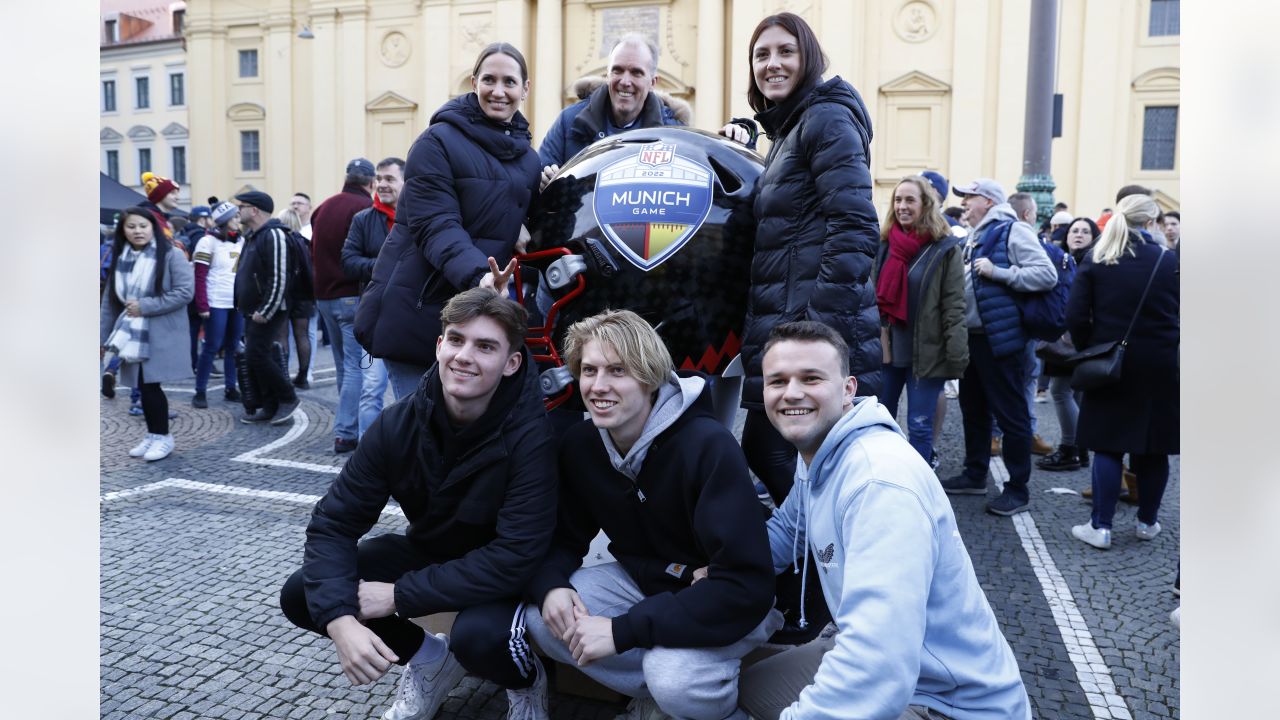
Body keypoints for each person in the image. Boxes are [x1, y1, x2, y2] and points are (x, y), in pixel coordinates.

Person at [278, 287, 556, 720]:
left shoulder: (534, 437)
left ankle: (525, 683)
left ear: (511, 363)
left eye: (486, 347)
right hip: (434, 548)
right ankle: (430, 660)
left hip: (510, 574)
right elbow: (334, 523)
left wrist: (398, 595)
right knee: (303, 594)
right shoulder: (398, 422)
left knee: (479, 638)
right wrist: (339, 620)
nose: (465, 356)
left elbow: (515, 556)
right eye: (457, 340)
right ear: (439, 345)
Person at [738, 321, 1030, 720]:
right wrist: (714, 570)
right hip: (875, 654)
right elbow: (786, 532)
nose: (792, 393)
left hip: (948, 703)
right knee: (746, 690)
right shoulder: (819, 455)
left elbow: (876, 666)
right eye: (778, 381)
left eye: (811, 378)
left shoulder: (878, 484)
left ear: (848, 390)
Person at [512, 309, 780, 720]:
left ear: (650, 377)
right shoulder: (583, 445)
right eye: (588, 370)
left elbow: (745, 586)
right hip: (650, 581)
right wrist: (550, 585)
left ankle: (714, 708)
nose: (598, 386)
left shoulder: (708, 446)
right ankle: (660, 699)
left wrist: (623, 632)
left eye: (617, 371)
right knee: (544, 619)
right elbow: (561, 537)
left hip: (723, 598)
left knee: (673, 676)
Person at [720, 12, 882, 507]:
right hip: (789, 327)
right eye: (761, 55)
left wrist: (817, 337)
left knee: (788, 457)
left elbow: (854, 227)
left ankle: (826, 561)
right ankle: (812, 560)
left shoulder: (826, 119)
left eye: (785, 51)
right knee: (779, 454)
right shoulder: (791, 129)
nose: (772, 64)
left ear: (809, 57)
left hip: (811, 331)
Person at [356, 43, 541, 401]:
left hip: (478, 314)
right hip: (420, 309)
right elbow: (435, 224)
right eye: (489, 80)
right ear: (474, 83)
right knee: (420, 436)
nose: (498, 91)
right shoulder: (436, 141)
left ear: (525, 89)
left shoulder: (529, 161)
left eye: (509, 82)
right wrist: (480, 275)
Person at [1067, 194, 1179, 550]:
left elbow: (1074, 317)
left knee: (1108, 445)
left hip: (1110, 361)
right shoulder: (1168, 259)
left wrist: (1093, 345)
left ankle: (1100, 526)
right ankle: (1147, 522)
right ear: (1152, 223)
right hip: (1160, 363)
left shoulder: (1098, 258)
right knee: (1153, 448)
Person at [938, 179, 1056, 516]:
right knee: (974, 410)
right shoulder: (975, 234)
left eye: (969, 197)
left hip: (1001, 339)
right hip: (974, 337)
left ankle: (1017, 489)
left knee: (1011, 414)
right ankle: (975, 474)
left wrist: (1000, 273)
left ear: (988, 201)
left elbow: (1045, 274)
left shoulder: (1012, 230)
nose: (964, 203)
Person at [872, 175, 967, 466]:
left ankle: (919, 489)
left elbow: (954, 304)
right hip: (888, 351)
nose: (902, 206)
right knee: (878, 423)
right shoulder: (885, 244)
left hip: (928, 351)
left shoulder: (945, 248)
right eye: (898, 200)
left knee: (920, 425)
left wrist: (956, 354)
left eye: (909, 200)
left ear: (926, 204)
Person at [100, 207, 195, 462]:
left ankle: (163, 436)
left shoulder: (172, 254)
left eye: (142, 226)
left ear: (153, 227)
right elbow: (111, 302)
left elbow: (185, 292)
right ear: (123, 230)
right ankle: (154, 434)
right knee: (142, 386)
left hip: (162, 331)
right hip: (132, 333)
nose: (137, 231)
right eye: (131, 227)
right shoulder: (122, 258)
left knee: (150, 386)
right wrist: (101, 338)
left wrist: (146, 306)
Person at [537, 34, 685, 188]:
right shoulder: (569, 121)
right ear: (607, 75)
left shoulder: (674, 136)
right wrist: (543, 182)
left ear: (652, 82)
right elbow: (536, 181)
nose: (625, 81)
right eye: (617, 70)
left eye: (636, 73)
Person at [312, 159, 375, 451]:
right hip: (351, 295)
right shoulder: (364, 210)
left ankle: (345, 425)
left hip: (324, 297)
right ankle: (347, 432)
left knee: (343, 366)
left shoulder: (324, 206)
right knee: (354, 368)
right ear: (371, 182)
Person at [341, 157, 405, 438]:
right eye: (379, 179)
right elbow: (348, 260)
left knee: (410, 390)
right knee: (372, 387)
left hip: (411, 316)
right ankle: (368, 452)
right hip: (376, 313)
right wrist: (384, 264)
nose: (381, 184)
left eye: (389, 179)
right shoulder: (363, 219)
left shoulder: (418, 216)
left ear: (406, 182)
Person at [1036, 217, 1100, 472]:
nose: (1078, 235)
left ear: (1093, 235)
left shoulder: (1091, 260)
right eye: (1074, 230)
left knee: (1060, 392)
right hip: (1069, 333)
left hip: (1075, 336)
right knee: (1074, 393)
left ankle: (1070, 448)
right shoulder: (1065, 258)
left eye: (1085, 231)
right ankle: (1079, 449)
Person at [233, 190, 301, 425]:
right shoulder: (255, 235)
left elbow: (280, 277)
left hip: (267, 310)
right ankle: (269, 405)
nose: (237, 210)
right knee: (255, 357)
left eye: (241, 206)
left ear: (254, 210)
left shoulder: (274, 235)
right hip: (253, 310)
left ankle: (288, 397)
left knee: (257, 356)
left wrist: (267, 309)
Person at [192, 201, 245, 407]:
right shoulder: (207, 242)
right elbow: (200, 276)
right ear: (224, 221)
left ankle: (231, 387)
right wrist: (202, 305)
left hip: (236, 302)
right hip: (216, 301)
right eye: (235, 217)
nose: (238, 220)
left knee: (233, 346)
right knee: (212, 346)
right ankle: (200, 391)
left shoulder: (241, 241)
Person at [275, 208, 317, 391]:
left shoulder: (279, 242)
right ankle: (303, 375)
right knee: (303, 335)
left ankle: (284, 377)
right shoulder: (306, 242)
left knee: (282, 336)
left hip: (284, 295)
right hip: (304, 295)